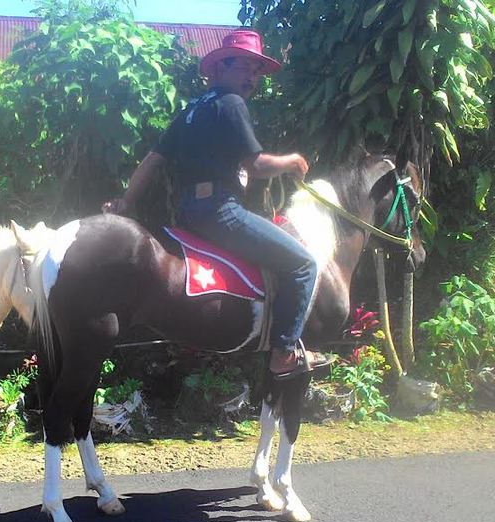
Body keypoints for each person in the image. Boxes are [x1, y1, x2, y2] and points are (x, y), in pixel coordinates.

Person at [102, 29, 327, 379]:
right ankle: (284, 352)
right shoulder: (231, 103)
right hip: (222, 213)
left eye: (257, 70)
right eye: (245, 67)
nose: (252, 77)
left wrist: (126, 202)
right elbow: (257, 165)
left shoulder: (192, 110)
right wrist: (293, 161)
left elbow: (152, 160)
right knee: (303, 263)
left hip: (188, 214)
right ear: (221, 66)